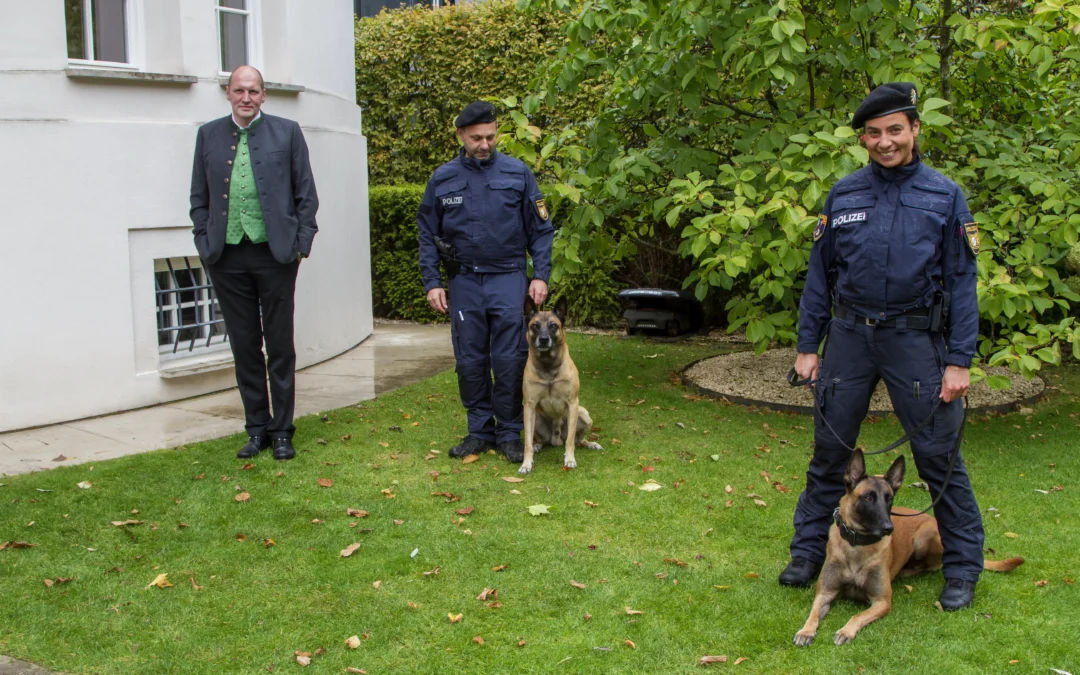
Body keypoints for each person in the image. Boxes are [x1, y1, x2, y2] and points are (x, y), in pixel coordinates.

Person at [781, 83, 985, 610]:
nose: (884, 141)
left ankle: (961, 567)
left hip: (915, 341)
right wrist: (808, 346)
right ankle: (809, 553)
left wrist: (960, 360)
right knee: (830, 455)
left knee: (938, 458)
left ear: (915, 129)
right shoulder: (844, 194)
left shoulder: (944, 196)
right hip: (849, 337)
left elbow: (963, 283)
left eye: (894, 129)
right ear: (864, 139)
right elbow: (819, 279)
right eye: (873, 133)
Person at [189, 65, 319, 461]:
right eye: (239, 90)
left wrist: (300, 244)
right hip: (226, 255)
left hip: (275, 255)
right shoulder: (208, 134)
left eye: (254, 91)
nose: (246, 97)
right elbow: (199, 196)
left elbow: (306, 195)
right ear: (227, 93)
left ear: (264, 96)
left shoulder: (287, 131)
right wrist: (203, 238)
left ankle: (282, 430)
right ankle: (256, 428)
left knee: (279, 346)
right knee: (245, 346)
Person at [417, 101, 554, 463]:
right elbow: (426, 232)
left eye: (491, 136)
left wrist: (540, 275)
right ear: (461, 134)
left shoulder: (517, 173)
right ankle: (479, 430)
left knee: (510, 358)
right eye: (476, 138)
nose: (484, 144)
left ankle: (510, 432)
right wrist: (433, 282)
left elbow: (541, 231)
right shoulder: (443, 178)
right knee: (470, 359)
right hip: (464, 282)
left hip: (509, 279)